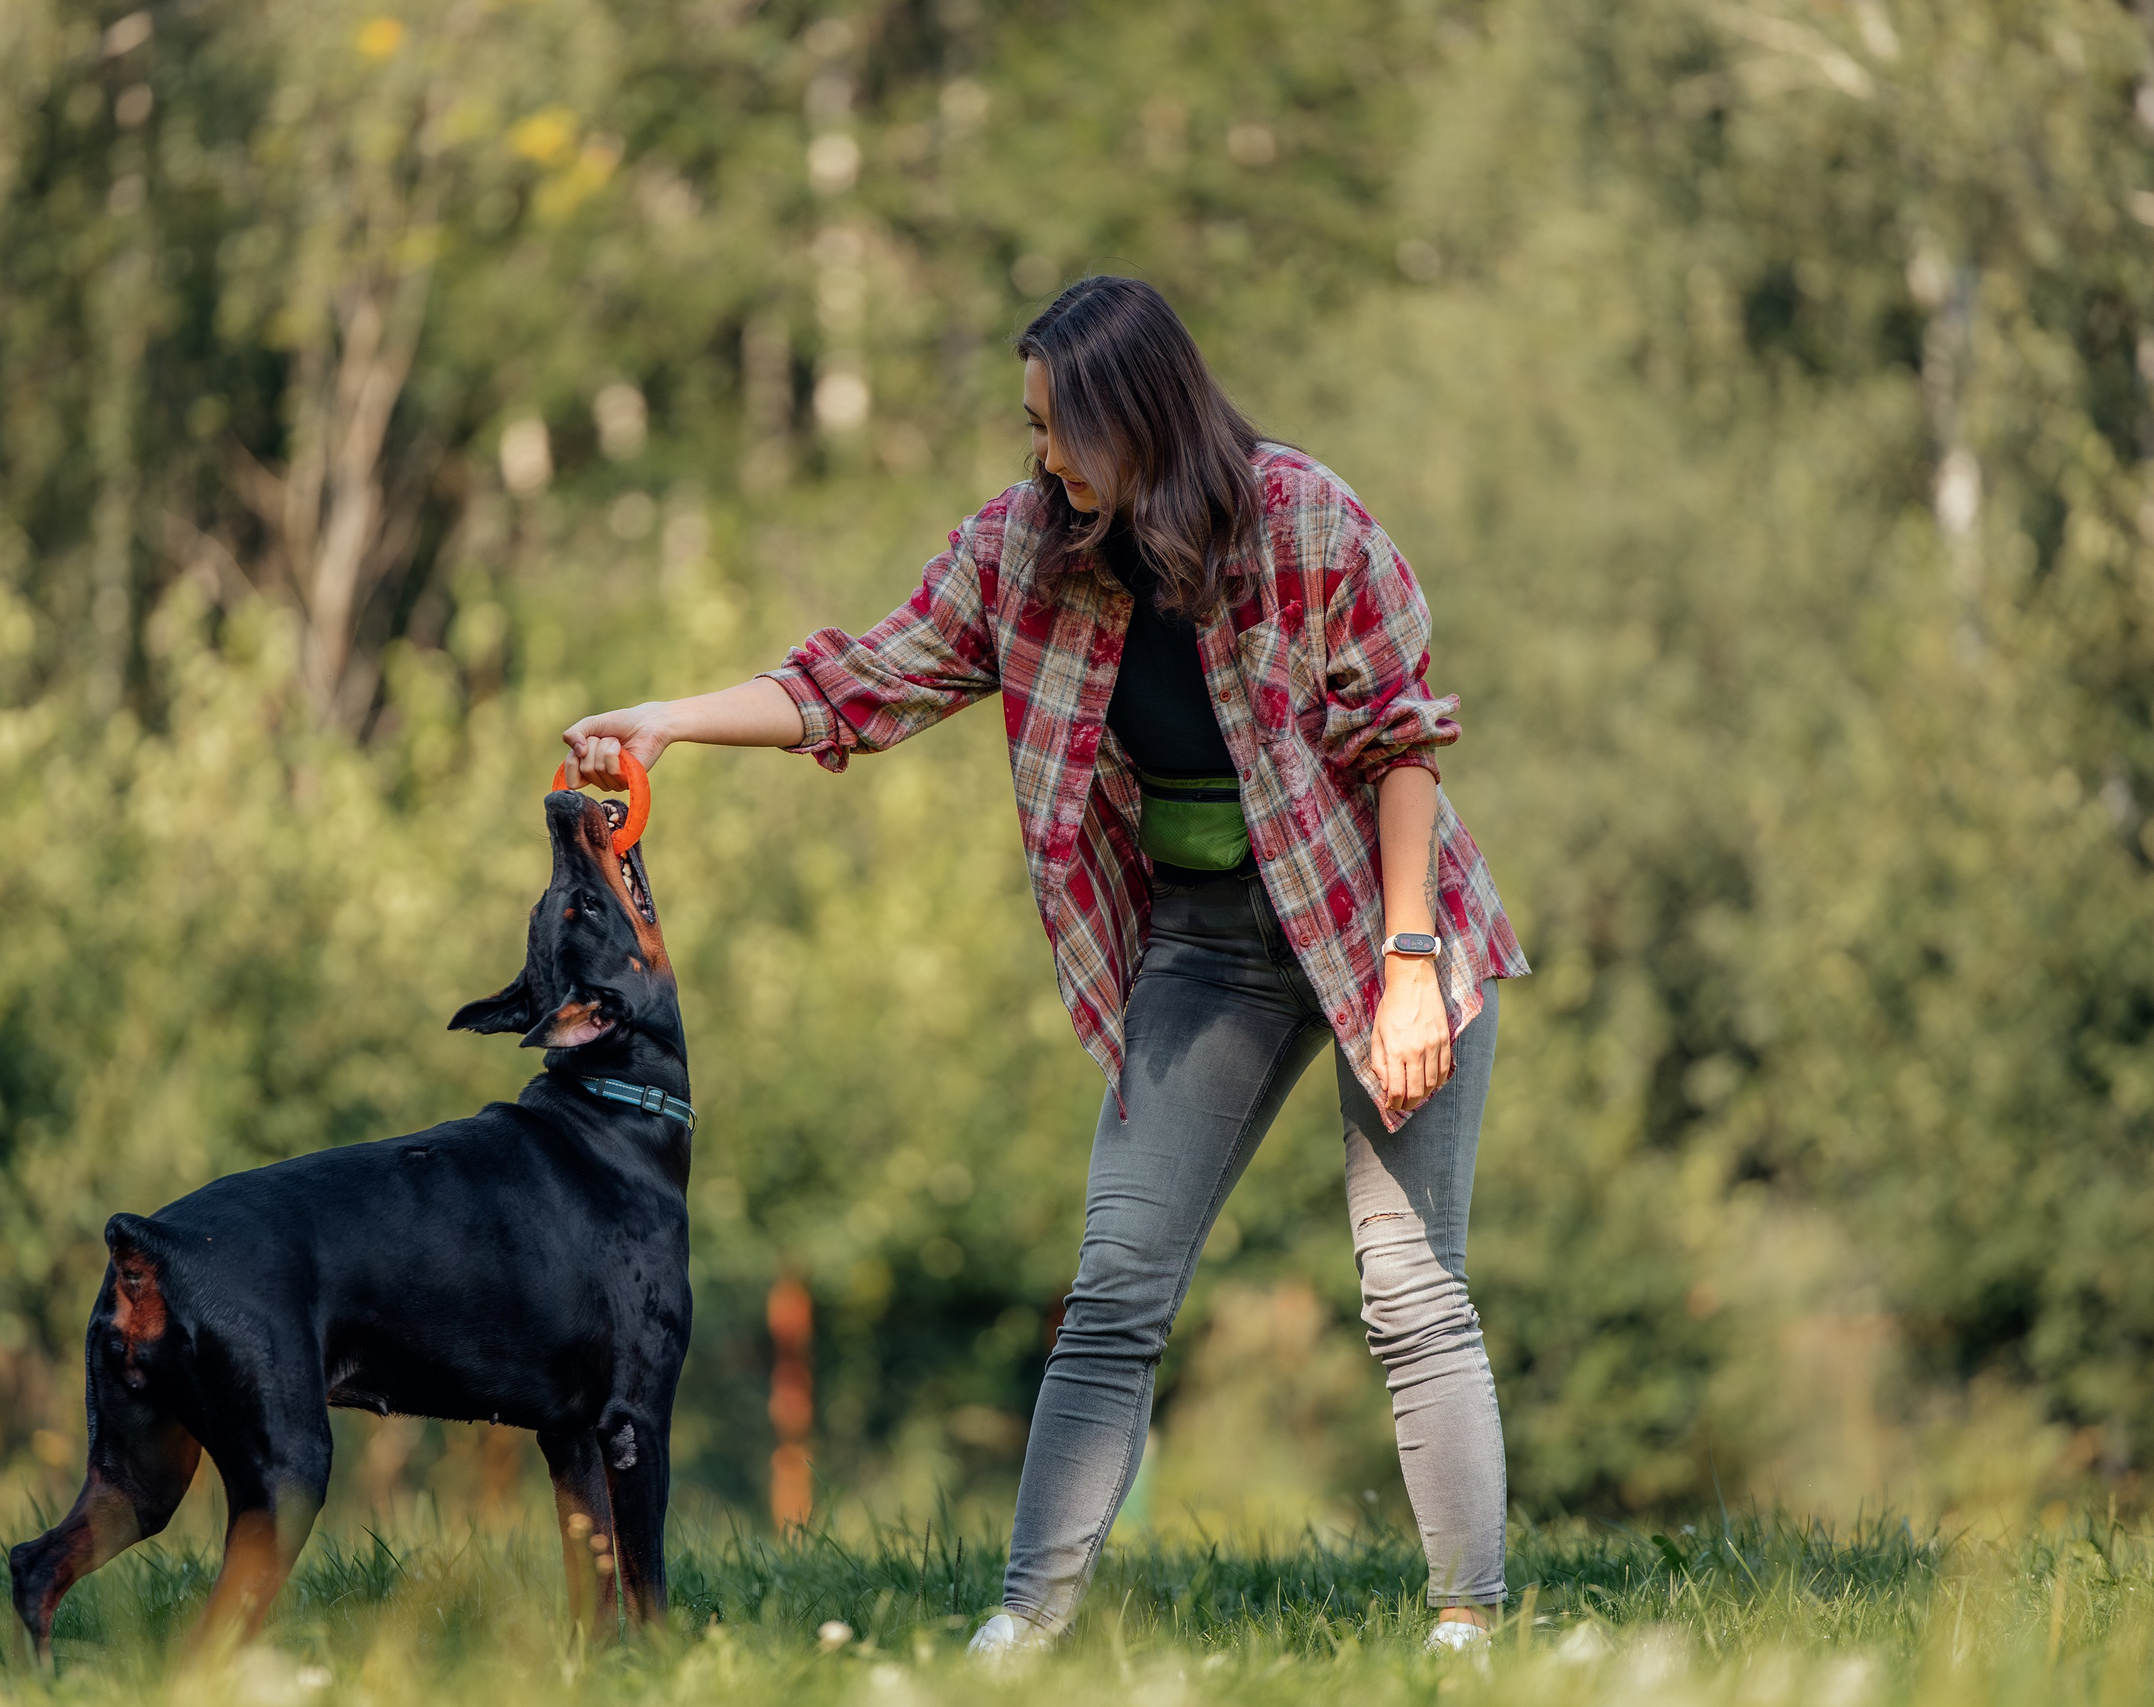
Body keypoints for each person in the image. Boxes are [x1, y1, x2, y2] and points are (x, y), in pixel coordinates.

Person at [561, 275, 1528, 1655]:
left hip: (1383, 918)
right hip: (1206, 947)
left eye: (1060, 428)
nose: (1043, 457)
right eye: (1033, 427)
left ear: (1138, 419)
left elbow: (1405, 743)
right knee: (1117, 1278)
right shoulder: (1027, 549)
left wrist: (1416, 962)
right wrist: (667, 721)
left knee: (1407, 1280)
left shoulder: (1307, 519)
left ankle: (1466, 1629)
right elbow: (862, 683)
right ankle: (1023, 1628)